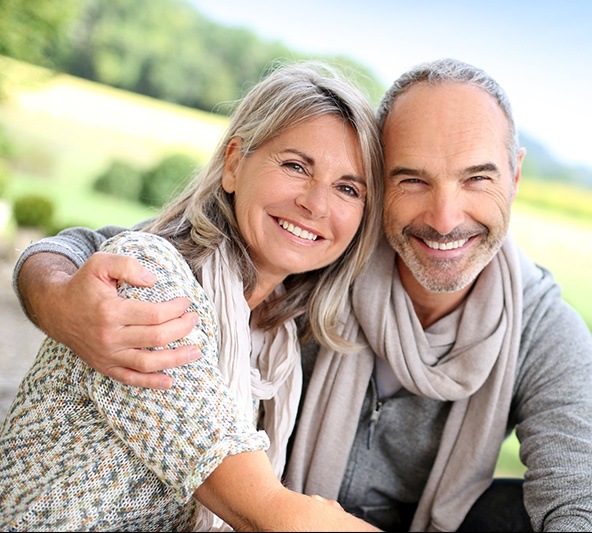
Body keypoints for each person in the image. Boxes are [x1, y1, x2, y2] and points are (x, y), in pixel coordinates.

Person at [10, 58, 592, 532]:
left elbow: (579, 495)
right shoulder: (293, 276)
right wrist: (57, 296)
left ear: (514, 177)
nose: (444, 217)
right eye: (412, 179)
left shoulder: (294, 305)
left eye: (477, 178)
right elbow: (108, 249)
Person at [0, 61, 386, 531]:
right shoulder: (151, 283)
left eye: (348, 188)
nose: (316, 203)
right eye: (295, 166)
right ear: (233, 164)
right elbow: (270, 514)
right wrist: (49, 285)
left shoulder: (276, 338)